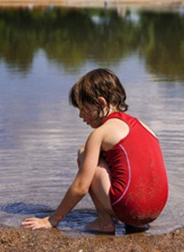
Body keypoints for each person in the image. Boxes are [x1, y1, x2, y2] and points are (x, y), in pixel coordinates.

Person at [22, 68, 168, 234]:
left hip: (129, 209)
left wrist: (52, 219)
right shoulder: (144, 126)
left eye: (83, 109)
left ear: (101, 103)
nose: (81, 116)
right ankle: (137, 224)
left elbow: (81, 186)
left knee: (84, 153)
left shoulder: (100, 133)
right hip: (155, 210)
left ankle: (104, 222)